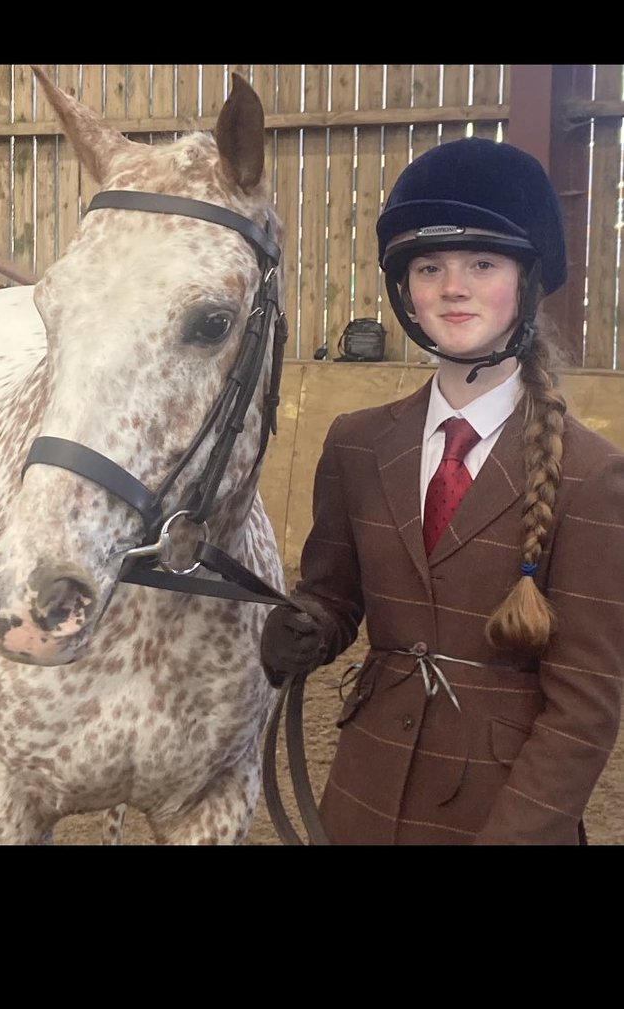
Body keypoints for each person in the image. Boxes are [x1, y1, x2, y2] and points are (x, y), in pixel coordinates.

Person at [260, 136, 624, 846]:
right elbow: (335, 595)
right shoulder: (356, 443)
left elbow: (584, 709)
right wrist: (308, 626)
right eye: (430, 268)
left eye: (481, 265)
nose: (453, 287)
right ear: (408, 291)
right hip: (364, 791)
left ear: (525, 281)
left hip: (501, 809)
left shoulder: (593, 475)